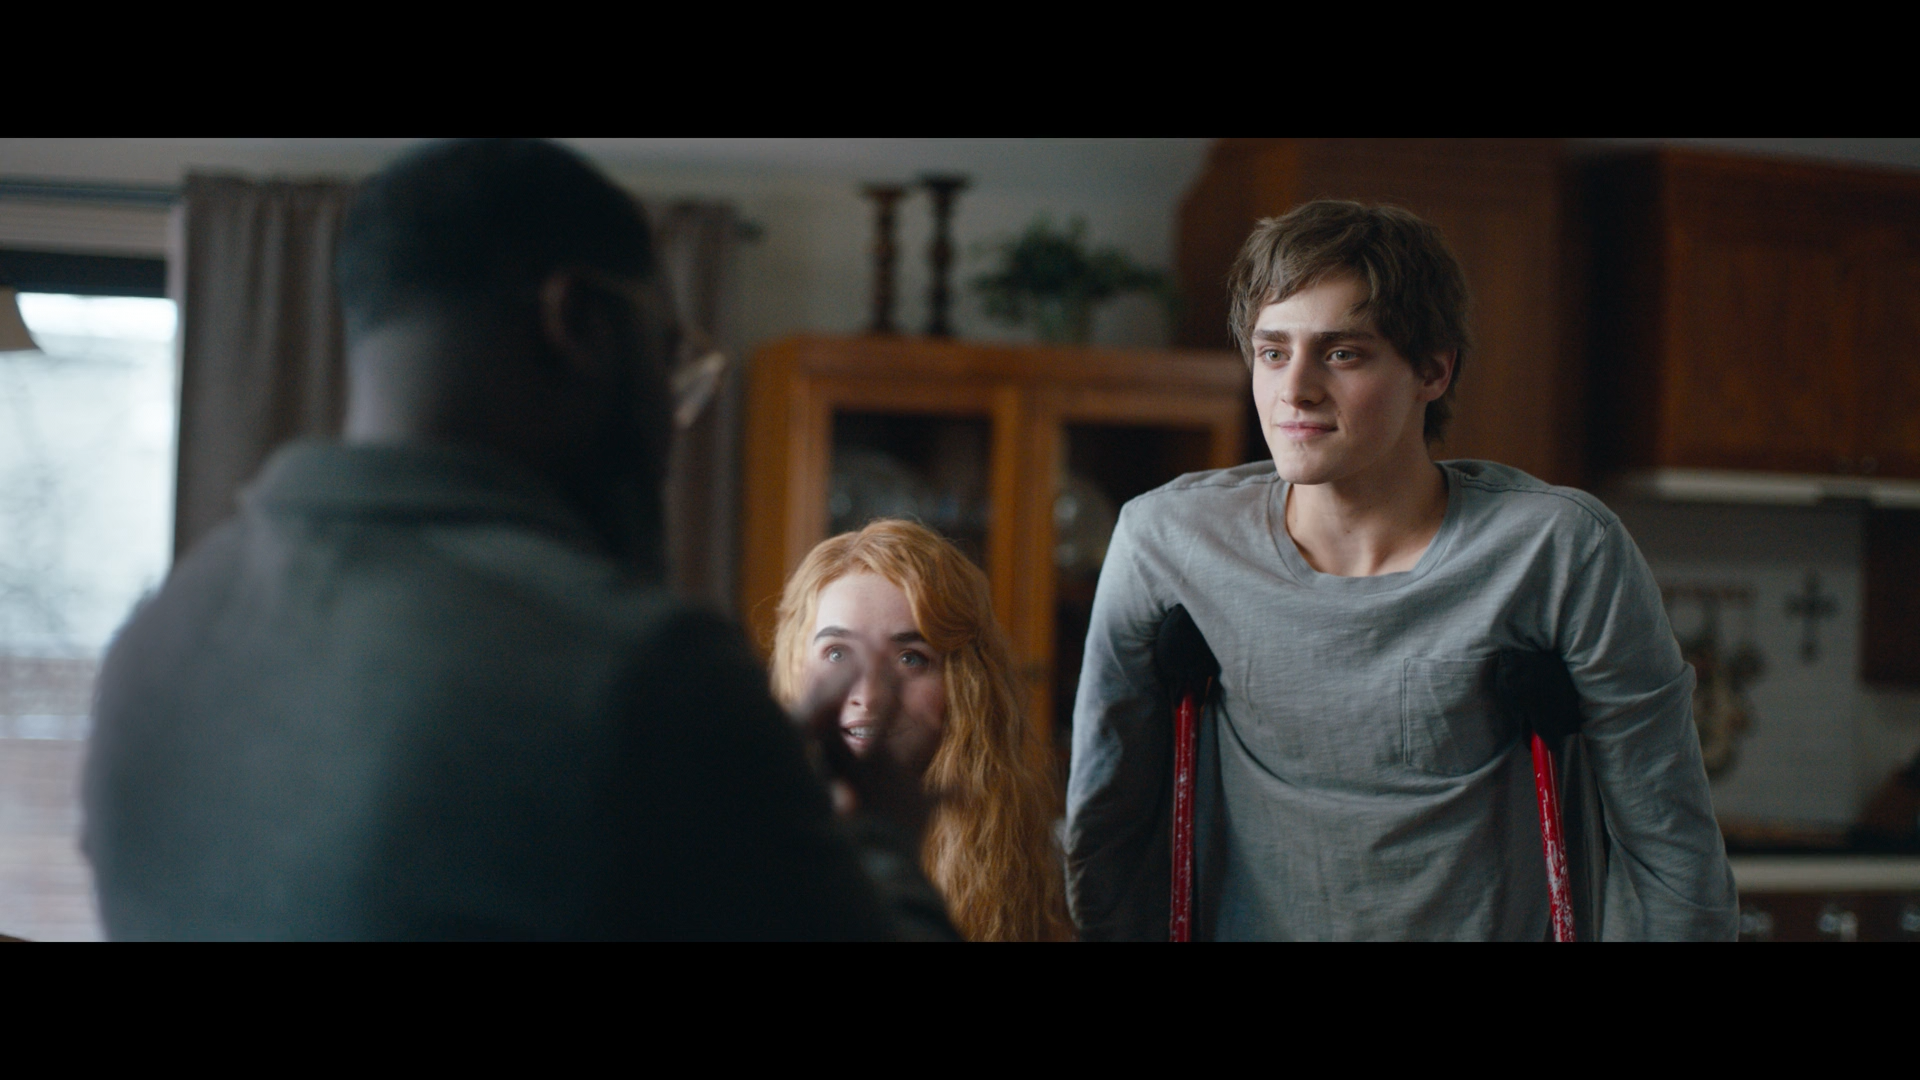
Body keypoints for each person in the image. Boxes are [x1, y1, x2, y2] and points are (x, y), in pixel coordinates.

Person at [81, 139, 949, 940]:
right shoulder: (642, 673)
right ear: (578, 323)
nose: (671, 421)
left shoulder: (151, 647)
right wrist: (877, 833)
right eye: (666, 356)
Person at [1065, 200, 1738, 941]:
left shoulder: (1560, 550)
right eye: (1273, 352)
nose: (1295, 389)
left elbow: (1669, 845)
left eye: (1342, 354)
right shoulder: (1167, 542)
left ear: (1433, 370)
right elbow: (1107, 829)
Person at [770, 520, 1074, 941]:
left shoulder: (1047, 871)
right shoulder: (741, 848)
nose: (869, 697)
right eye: (837, 654)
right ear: (797, 667)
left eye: (910, 659)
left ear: (965, 687)